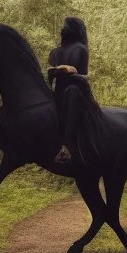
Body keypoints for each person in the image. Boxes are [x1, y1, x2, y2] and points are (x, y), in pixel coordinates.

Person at [47, 17, 101, 165]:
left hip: (75, 89)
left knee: (72, 93)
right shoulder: (55, 52)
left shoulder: (80, 49)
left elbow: (82, 74)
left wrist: (70, 70)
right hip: (59, 88)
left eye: (65, 26)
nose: (62, 29)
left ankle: (67, 146)